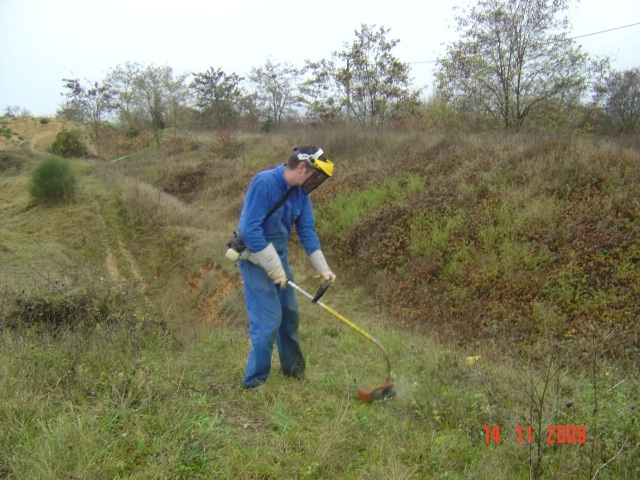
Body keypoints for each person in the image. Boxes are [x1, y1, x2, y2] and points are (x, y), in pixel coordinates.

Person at [235, 145, 336, 388]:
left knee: (289, 315)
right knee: (269, 319)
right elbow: (249, 231)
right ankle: (254, 381)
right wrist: (273, 268)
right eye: (316, 176)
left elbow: (306, 230)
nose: (316, 182)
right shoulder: (264, 183)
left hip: (278, 258)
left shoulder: (301, 194)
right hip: (254, 259)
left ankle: (293, 371)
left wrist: (322, 268)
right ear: (302, 168)